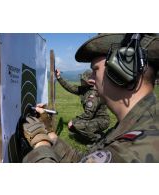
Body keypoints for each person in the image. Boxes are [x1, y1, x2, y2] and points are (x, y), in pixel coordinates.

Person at [20, 33, 159, 163]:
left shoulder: (135, 149)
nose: (92, 79)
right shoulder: (136, 125)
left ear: (123, 69)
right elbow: (84, 159)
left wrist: (40, 143)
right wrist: (50, 134)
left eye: (95, 70)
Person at [55, 68, 110, 144]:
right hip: (93, 118)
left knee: (76, 125)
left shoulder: (93, 94)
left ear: (88, 81)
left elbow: (88, 114)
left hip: (102, 121)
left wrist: (73, 121)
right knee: (74, 127)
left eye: (83, 80)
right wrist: (59, 77)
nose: (81, 81)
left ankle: (98, 140)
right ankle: (95, 135)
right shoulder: (84, 89)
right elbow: (70, 88)